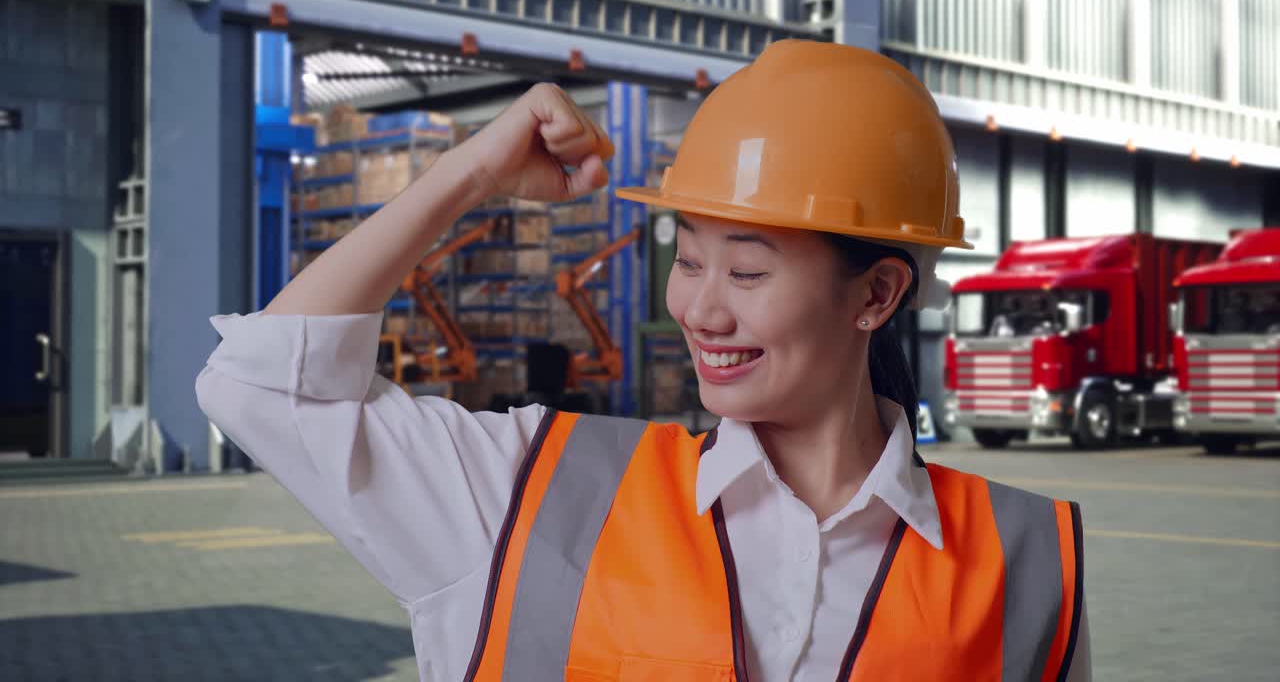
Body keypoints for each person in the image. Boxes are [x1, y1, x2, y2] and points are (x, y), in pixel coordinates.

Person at [197, 41, 1090, 681]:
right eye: (688, 259)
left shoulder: (1025, 563)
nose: (698, 308)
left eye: (746, 270)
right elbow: (262, 384)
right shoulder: (527, 493)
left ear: (876, 296)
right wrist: (468, 175)